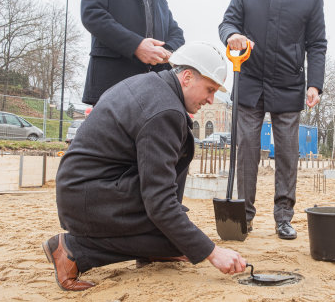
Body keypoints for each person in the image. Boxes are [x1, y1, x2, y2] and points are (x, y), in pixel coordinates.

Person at [42, 42, 246, 291]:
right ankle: (73, 250)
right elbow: (159, 202)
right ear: (188, 77)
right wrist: (213, 252)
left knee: (181, 241)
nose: (211, 100)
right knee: (186, 241)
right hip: (89, 197)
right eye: (209, 89)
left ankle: (151, 250)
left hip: (86, 188)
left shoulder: (152, 86)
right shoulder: (164, 110)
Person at [218, 0, 327, 240]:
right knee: (248, 151)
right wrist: (233, 36)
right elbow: (227, 22)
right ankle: (245, 216)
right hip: (250, 81)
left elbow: (317, 44)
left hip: (289, 83)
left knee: (288, 153)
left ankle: (283, 217)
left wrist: (315, 84)